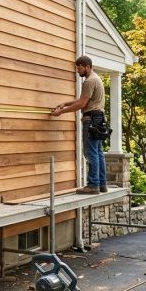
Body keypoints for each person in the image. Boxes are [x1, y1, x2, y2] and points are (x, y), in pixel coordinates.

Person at [50, 56, 107, 194]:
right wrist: (66, 103)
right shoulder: (96, 78)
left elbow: (82, 104)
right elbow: (84, 99)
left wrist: (61, 112)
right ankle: (101, 184)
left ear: (87, 66)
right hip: (99, 119)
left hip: (91, 119)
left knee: (91, 152)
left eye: (79, 68)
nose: (77, 71)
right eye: (77, 68)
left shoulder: (88, 81)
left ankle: (93, 185)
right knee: (98, 152)